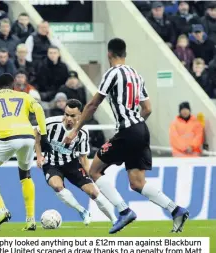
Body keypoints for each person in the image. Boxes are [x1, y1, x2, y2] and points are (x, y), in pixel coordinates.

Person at [63, 38, 189, 234]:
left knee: (93, 170)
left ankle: (124, 211)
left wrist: (75, 130)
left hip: (128, 132)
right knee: (137, 183)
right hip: (141, 130)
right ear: (125, 53)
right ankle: (176, 210)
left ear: (109, 54)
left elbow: (93, 105)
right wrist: (135, 124)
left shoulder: (112, 74)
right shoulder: (136, 75)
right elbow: (147, 108)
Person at [0, 73, 51, 232]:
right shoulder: (24, 96)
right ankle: (31, 220)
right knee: (25, 175)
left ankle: (1, 209)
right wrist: (43, 136)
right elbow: (39, 109)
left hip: (8, 137)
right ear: (13, 87)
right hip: (28, 137)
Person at [35, 99, 117, 226]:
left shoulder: (83, 132)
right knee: (57, 186)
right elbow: (37, 133)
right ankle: (82, 211)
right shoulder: (51, 123)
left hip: (72, 164)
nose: (68, 118)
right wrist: (39, 155)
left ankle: (115, 220)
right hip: (52, 163)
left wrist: (92, 175)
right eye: (66, 114)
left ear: (80, 115)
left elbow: (83, 157)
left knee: (93, 192)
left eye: (72, 116)